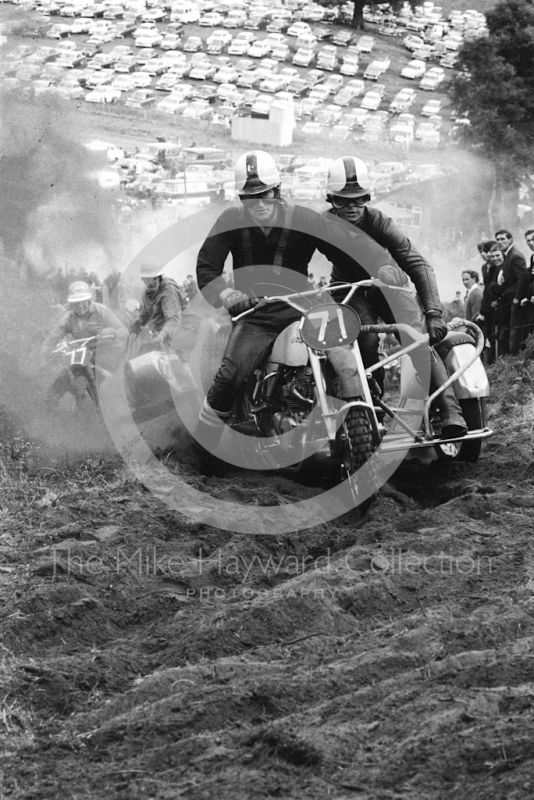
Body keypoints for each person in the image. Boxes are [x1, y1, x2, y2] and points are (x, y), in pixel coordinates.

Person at [195, 150, 389, 451]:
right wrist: (228, 295)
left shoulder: (303, 218)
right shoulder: (230, 220)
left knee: (354, 350)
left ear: (277, 189)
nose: (258, 202)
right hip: (257, 313)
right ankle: (202, 448)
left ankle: (368, 412)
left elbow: (343, 246)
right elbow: (207, 268)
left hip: (305, 306)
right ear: (241, 198)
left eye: (264, 193)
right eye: (250, 196)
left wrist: (379, 268)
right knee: (232, 375)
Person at [322, 156, 466, 439]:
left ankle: (451, 411)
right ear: (330, 199)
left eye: (359, 199)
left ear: (368, 197)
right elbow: (293, 251)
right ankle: (369, 409)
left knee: (417, 337)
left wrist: (433, 312)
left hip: (389, 285)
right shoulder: (322, 225)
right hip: (349, 287)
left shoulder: (379, 221)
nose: (352, 206)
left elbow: (417, 264)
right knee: (364, 341)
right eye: (342, 200)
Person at [44, 281, 127, 413]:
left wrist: (114, 333)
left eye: (83, 301)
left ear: (89, 299)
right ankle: (51, 409)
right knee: (69, 374)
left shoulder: (101, 311)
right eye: (76, 303)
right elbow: (54, 337)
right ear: (71, 304)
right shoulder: (68, 319)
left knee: (106, 385)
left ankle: (112, 409)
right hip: (85, 356)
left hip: (108, 354)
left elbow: (124, 331)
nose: (80, 305)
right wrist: (46, 351)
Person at [129, 256, 199, 358]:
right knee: (166, 362)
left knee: (169, 361)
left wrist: (161, 335)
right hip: (169, 331)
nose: (152, 282)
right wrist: (138, 321)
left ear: (160, 277)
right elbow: (147, 312)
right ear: (142, 279)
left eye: (154, 278)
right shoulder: (148, 294)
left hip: (186, 327)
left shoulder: (168, 290)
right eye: (148, 278)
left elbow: (173, 320)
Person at [493, 229, 530, 356]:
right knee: (509, 332)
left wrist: (517, 298)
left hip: (515, 299)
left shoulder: (515, 255)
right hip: (508, 299)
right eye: (497, 239)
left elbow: (523, 278)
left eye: (503, 239)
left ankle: (514, 360)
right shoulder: (508, 255)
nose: (499, 242)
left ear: (510, 240)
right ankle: (511, 360)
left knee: (516, 331)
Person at [476, 241, 499, 363]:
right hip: (487, 306)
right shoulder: (485, 267)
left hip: (495, 305)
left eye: (485, 251)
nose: (483, 254)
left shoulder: (498, 265)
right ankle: (487, 362)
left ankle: (495, 362)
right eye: (481, 252)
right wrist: (482, 310)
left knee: (495, 336)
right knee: (487, 335)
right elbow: (486, 289)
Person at [522, 229, 534, 344]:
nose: (531, 243)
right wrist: (528, 296)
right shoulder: (532, 257)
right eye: (528, 241)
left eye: (533, 239)